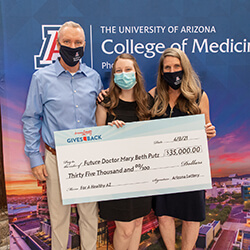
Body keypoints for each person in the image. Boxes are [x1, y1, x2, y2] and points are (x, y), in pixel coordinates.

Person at [22, 21, 103, 250]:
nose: (73, 46)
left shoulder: (94, 78)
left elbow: (100, 115)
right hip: (55, 158)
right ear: (58, 45)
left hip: (87, 158)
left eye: (78, 42)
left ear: (85, 45)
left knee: (89, 216)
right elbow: (31, 118)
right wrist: (35, 159)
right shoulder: (41, 78)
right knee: (58, 220)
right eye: (67, 42)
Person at [149, 47, 216, 250]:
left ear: (184, 68)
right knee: (164, 214)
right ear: (161, 72)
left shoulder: (199, 96)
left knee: (191, 216)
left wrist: (209, 132)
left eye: (176, 66)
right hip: (162, 169)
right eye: (167, 67)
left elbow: (206, 131)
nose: (172, 71)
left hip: (191, 169)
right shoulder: (152, 96)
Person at [95, 53, 153, 250]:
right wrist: (110, 131)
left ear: (136, 72)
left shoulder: (148, 102)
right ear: (113, 76)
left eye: (128, 69)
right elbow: (96, 141)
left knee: (138, 223)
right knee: (125, 229)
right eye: (118, 71)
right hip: (116, 178)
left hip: (141, 175)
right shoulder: (106, 103)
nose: (123, 74)